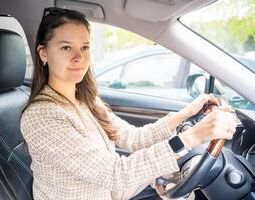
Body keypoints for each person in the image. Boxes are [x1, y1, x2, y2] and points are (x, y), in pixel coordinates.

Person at [20, 7, 237, 200]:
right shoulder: (41, 116)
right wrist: (192, 137)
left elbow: (134, 138)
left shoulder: (85, 100)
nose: (79, 57)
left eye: (84, 47)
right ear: (43, 53)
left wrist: (187, 113)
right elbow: (115, 174)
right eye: (66, 48)